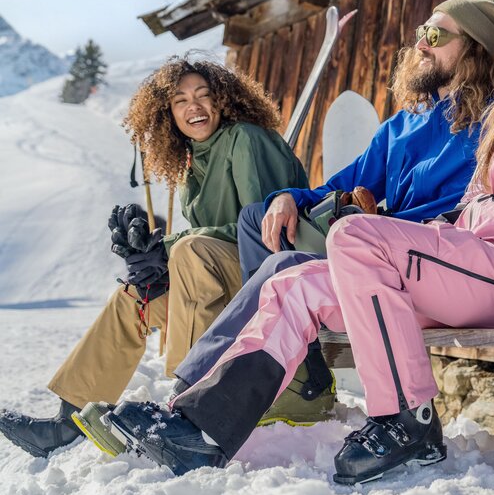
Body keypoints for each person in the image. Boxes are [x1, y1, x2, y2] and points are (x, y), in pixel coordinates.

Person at [104, 0, 494, 483]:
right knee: (292, 281)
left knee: (354, 235)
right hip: (469, 257)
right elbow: (473, 198)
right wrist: (435, 229)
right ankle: (198, 424)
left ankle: (407, 418)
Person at [0, 56, 308, 458]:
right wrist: (151, 256)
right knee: (137, 295)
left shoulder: (246, 139)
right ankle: (68, 418)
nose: (193, 107)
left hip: (270, 276)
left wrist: (171, 247)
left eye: (203, 95)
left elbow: (261, 228)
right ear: (169, 113)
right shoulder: (195, 160)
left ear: (224, 101)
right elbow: (206, 239)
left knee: (189, 252)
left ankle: (180, 409)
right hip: (219, 275)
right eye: (180, 100)